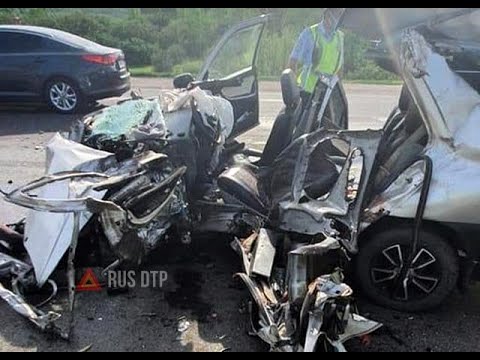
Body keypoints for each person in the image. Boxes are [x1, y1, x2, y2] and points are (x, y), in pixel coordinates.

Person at [288, 9, 345, 97]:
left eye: (341, 14)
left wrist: (339, 92)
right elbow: (293, 61)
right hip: (307, 92)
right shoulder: (309, 34)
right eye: (337, 13)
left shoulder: (340, 37)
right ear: (327, 14)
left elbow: (339, 69)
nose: (339, 17)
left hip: (328, 95)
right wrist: (293, 90)